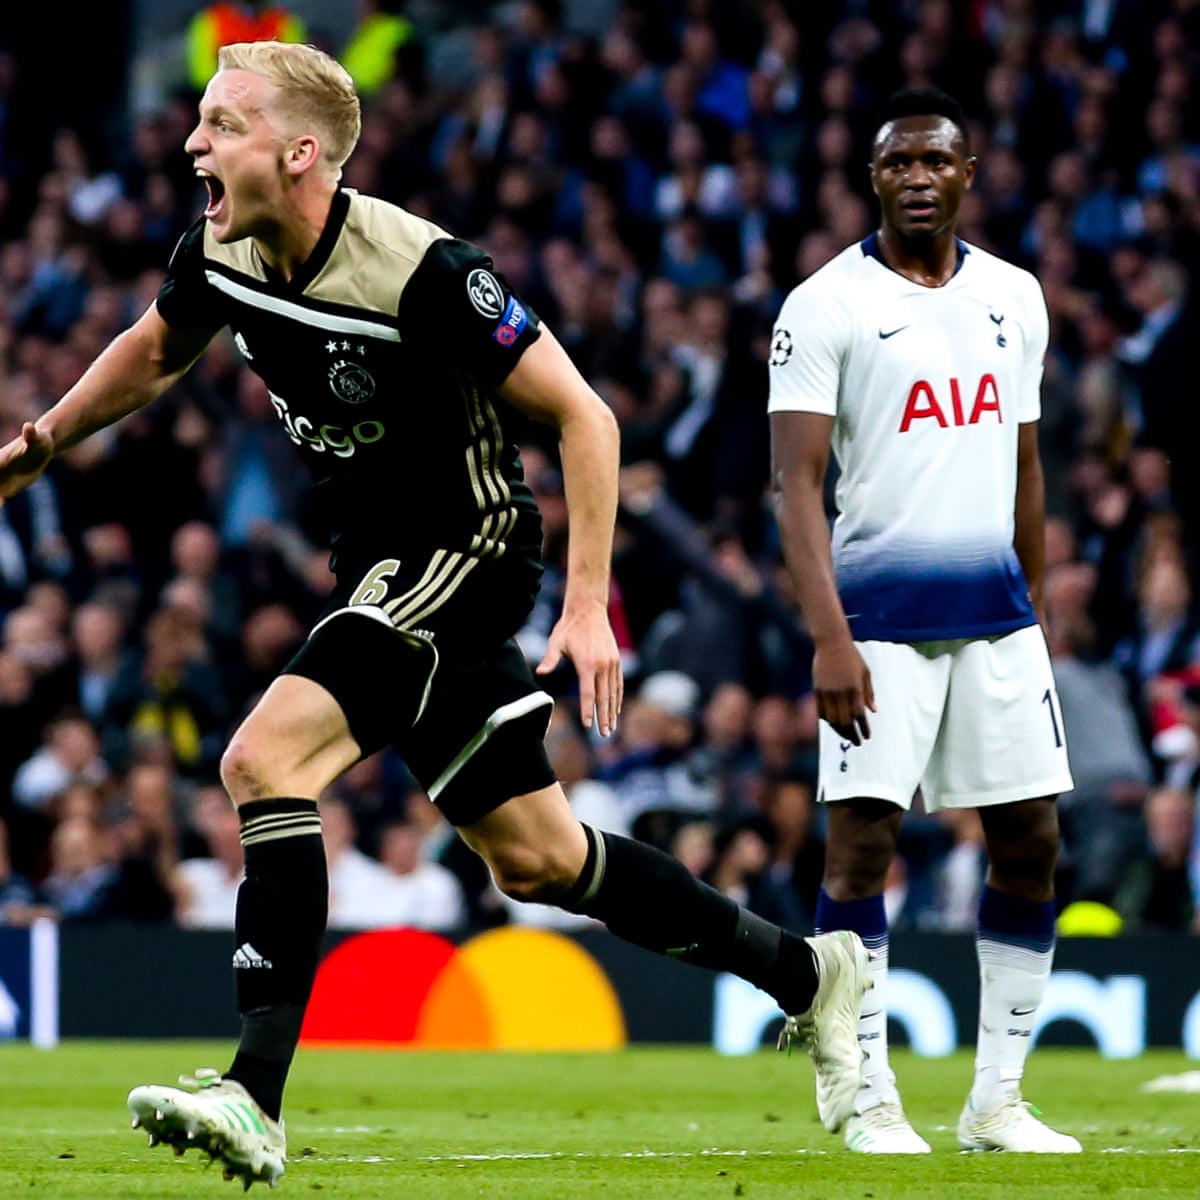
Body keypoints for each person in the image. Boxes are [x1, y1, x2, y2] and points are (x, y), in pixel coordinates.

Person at [0, 41, 869, 1190]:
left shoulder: (423, 271)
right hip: (378, 566)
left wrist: (591, 604)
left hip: (466, 550)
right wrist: (48, 438)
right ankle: (811, 976)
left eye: (221, 125)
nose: (190, 144)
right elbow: (159, 345)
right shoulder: (220, 243)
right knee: (540, 861)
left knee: (265, 760)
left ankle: (252, 1093)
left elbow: (587, 418)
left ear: (298, 152)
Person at [768, 88, 1080, 1156]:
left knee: (1032, 841)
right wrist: (828, 636)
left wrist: (1032, 610)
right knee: (862, 850)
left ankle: (997, 1103)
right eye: (896, 161)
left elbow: (1027, 464)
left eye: (934, 161)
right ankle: (866, 1097)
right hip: (879, 625)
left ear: (967, 172)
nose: (915, 176)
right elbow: (796, 486)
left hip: (996, 622)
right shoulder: (825, 305)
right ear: (873, 177)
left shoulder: (1015, 297)